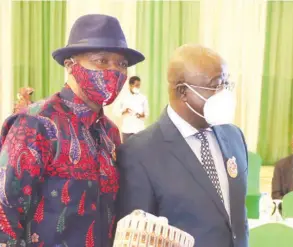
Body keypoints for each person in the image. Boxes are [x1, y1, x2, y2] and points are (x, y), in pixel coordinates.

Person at [0, 14, 144, 246]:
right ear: (70, 65)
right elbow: (4, 214)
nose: (114, 71)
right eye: (102, 60)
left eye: (122, 64)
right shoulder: (37, 124)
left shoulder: (111, 133)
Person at [116, 44, 249, 247]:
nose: (224, 94)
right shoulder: (139, 153)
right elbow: (138, 239)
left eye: (227, 84)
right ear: (183, 92)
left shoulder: (234, 136)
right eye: (216, 86)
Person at [115, 76, 149, 141]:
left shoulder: (143, 98)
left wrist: (141, 115)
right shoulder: (123, 97)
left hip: (139, 130)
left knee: (139, 150)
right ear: (130, 85)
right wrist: (124, 111)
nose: (138, 87)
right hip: (127, 130)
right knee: (126, 150)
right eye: (136, 85)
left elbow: (147, 114)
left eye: (139, 85)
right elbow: (115, 112)